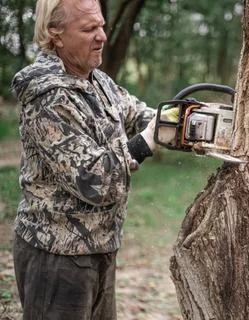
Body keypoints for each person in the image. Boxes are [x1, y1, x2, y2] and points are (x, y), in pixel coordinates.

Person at [10, 0, 176, 318]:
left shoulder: (95, 79)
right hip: (57, 255)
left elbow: (138, 114)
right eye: (88, 29)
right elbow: (94, 180)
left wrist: (179, 122)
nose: (101, 36)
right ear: (55, 34)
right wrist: (149, 141)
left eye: (101, 25)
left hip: (100, 246)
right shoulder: (50, 96)